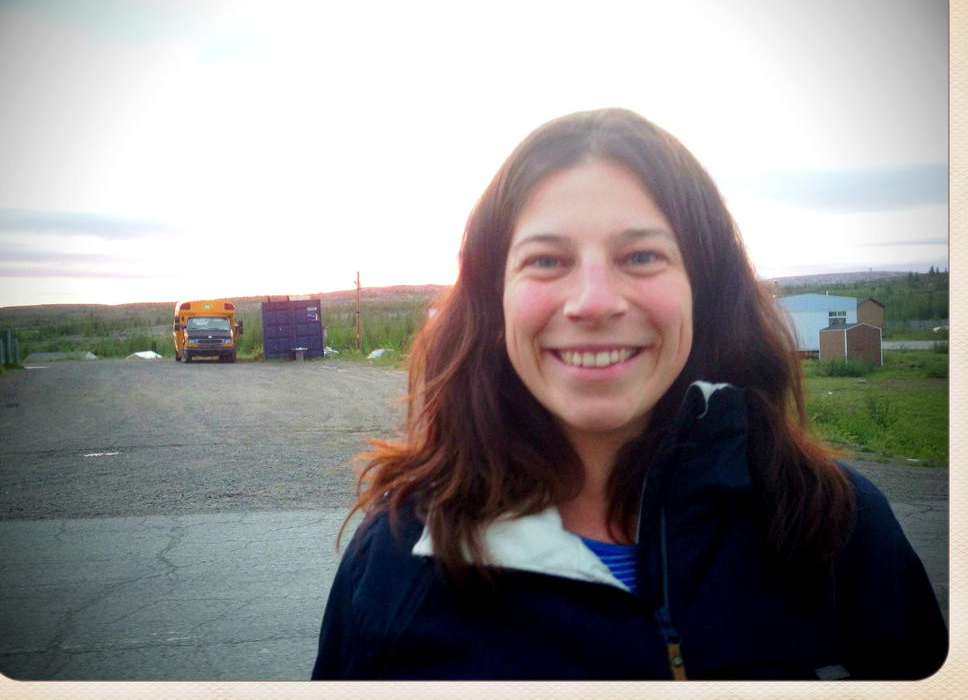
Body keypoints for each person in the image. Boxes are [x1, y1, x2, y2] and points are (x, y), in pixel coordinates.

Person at [311, 108, 947, 680]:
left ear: (704, 289)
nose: (593, 303)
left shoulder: (836, 527)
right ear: (492, 300)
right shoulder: (398, 557)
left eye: (641, 256)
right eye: (546, 260)